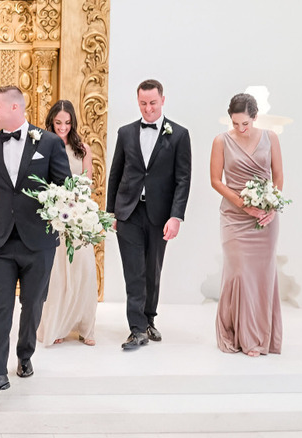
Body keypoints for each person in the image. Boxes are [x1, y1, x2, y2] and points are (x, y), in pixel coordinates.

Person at [0, 86, 72, 398]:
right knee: (0, 307)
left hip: (39, 241)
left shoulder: (48, 143)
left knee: (33, 304)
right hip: (1, 241)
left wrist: (66, 216)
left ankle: (24, 354)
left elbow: (65, 187)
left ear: (14, 108)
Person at [106, 79, 192, 350]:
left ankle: (148, 319)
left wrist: (176, 216)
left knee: (152, 270)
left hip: (159, 214)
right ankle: (137, 329)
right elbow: (115, 174)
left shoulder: (178, 134)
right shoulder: (126, 132)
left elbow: (183, 179)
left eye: (153, 103)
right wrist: (111, 212)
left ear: (163, 101)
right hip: (128, 211)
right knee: (133, 271)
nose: (148, 108)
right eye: (143, 103)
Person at [211, 93, 283, 356]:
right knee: (239, 273)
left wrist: (272, 207)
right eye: (235, 123)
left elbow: (278, 176)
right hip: (234, 217)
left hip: (264, 220)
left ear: (255, 117)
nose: (240, 129)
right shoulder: (221, 141)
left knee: (261, 277)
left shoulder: (271, 138)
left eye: (245, 124)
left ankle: (256, 338)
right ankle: (237, 334)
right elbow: (216, 181)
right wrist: (243, 204)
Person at [37, 100, 98, 347]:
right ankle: (58, 325)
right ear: (52, 121)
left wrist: (77, 204)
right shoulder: (42, 146)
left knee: (83, 271)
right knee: (57, 274)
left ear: (73, 123)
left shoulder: (82, 149)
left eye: (67, 123)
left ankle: (85, 327)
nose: (62, 127)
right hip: (54, 218)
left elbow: (87, 182)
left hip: (78, 218)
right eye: (58, 122)